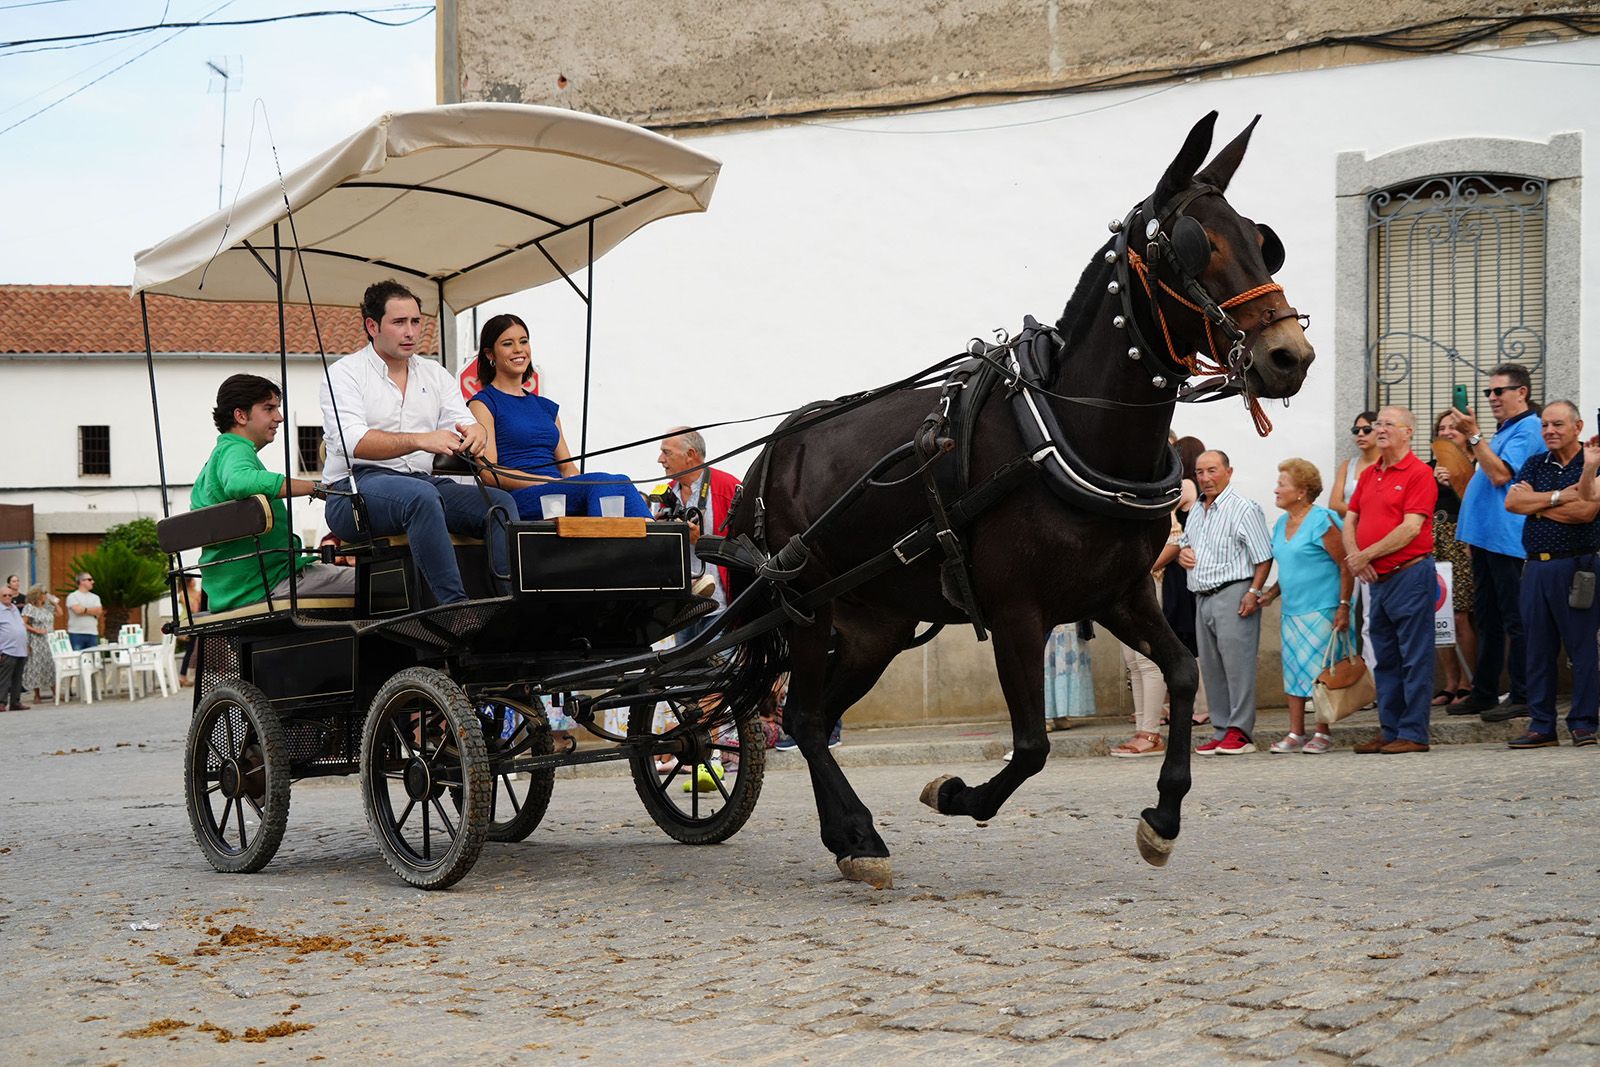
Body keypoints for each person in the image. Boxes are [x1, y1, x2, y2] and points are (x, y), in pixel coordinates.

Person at [320, 280, 519, 604]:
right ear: (372, 326)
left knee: (500, 505)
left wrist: (477, 432)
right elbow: (353, 441)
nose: (411, 331)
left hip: (419, 483)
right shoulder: (345, 374)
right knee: (422, 497)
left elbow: (464, 421)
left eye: (415, 321)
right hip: (351, 492)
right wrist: (421, 440)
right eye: (399, 322)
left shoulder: (434, 373)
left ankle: (507, 604)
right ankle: (454, 608)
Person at [190, 375, 357, 613]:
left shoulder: (216, 461)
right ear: (240, 416)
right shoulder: (234, 451)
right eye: (269, 409)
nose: (279, 417)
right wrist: (318, 488)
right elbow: (239, 482)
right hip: (267, 585)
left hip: (237, 589)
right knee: (380, 586)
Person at [467, 314, 650, 519]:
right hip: (521, 498)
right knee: (601, 484)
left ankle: (657, 544)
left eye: (524, 341)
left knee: (620, 482)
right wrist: (543, 481)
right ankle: (605, 548)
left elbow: (566, 466)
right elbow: (489, 472)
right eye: (508, 344)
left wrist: (576, 481)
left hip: (560, 494)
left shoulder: (546, 407)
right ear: (490, 354)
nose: (519, 349)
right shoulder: (483, 403)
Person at [1501, 401, 1600, 749]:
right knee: (1536, 648)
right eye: (1544, 425)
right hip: (1535, 568)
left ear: (1578, 426)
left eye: (1557, 424)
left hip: (1577, 566)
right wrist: (1559, 498)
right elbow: (1512, 504)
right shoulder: (1534, 463)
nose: (1549, 431)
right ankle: (1541, 725)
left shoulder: (1593, 462)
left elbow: (1587, 510)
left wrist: (1538, 505)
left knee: (1581, 647)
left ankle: (1584, 723)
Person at [1447, 364, 1543, 723]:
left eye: (1498, 391)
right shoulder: (1506, 430)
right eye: (1488, 392)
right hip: (1486, 539)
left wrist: (1474, 438)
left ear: (1522, 392)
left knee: (1515, 619)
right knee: (1488, 618)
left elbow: (1501, 473)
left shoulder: (1530, 429)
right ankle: (1484, 692)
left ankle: (1522, 693)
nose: (1491, 398)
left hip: (1508, 541)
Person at [1345, 407, 1438, 755]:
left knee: (1414, 657)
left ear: (1408, 432)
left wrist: (1366, 556)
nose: (1379, 429)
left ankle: (1413, 733)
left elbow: (1411, 527)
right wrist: (1356, 557)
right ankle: (1390, 729)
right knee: (1384, 658)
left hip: (1410, 574)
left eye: (1388, 424)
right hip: (1377, 578)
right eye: (1377, 424)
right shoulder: (1370, 474)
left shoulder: (1418, 473)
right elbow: (1351, 519)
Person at [1178, 450, 1273, 755]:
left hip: (1234, 592)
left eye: (1212, 470)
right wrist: (1183, 554)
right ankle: (1221, 728)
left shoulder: (1244, 508)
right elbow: (1185, 545)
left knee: (1237, 666)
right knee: (1211, 667)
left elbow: (1263, 555)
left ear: (1228, 472)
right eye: (1200, 472)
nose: (1205, 478)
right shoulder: (1196, 511)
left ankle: (1241, 731)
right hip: (1202, 595)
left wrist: (1254, 593)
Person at [1261, 460, 1352, 754]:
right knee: (1293, 671)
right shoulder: (1281, 524)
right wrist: (1271, 593)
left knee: (1319, 673)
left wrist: (1344, 606)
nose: (1276, 489)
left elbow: (1345, 565)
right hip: (1292, 610)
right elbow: (1288, 566)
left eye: (1282, 484)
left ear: (1301, 491)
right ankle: (1295, 732)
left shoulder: (1322, 520)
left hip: (1323, 608)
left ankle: (1322, 732)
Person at [1111, 510, 1182, 758]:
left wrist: (1138, 570)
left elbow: (1175, 541)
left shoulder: (1152, 503)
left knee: (1148, 661)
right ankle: (1142, 730)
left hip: (1148, 585)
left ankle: (1151, 734)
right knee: (1133, 663)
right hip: (1121, 590)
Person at [656, 427, 742, 631]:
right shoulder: (666, 494)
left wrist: (701, 540)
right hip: (680, 609)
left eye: (666, 452)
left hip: (720, 611)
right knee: (682, 665)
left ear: (690, 455)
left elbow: (748, 550)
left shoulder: (729, 488)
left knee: (720, 665)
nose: (660, 459)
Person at [1430, 410, 1477, 708]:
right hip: (1434, 541)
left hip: (1463, 539)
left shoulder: (1477, 465)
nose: (1447, 432)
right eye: (1442, 428)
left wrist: (1456, 482)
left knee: (1461, 614)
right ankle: (1449, 682)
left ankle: (1469, 681)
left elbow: (1480, 504)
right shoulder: (1428, 467)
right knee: (1439, 615)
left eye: (1454, 428)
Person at [1162, 435, 1207, 725]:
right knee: (1180, 633)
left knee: (1186, 634)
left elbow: (1162, 501)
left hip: (1181, 568)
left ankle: (1201, 706)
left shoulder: (1187, 485)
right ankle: (1173, 703)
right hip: (1177, 567)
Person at [1329, 410, 1380, 518]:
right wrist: (1364, 514)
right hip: (1348, 527)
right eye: (1356, 430)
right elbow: (1334, 503)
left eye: (1367, 430)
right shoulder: (1347, 466)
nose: (1360, 434)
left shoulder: (1388, 465)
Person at [21, 585, 55, 703]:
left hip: (50, 640)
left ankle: (55, 692)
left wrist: (55, 602)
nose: (46, 595)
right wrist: (36, 630)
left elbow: (60, 613)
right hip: (36, 640)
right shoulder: (29, 608)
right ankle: (37, 695)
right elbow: (23, 623)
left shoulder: (48, 607)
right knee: (36, 666)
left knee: (51, 665)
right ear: (37, 594)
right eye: (44, 593)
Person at [0, 584, 28, 710]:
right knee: (4, 677)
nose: (7, 597)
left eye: (9, 595)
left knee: (18, 677)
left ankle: (15, 702)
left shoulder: (14, 609)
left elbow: (20, 626)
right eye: (4, 595)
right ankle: (1, 702)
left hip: (20, 649)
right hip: (7, 649)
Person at [64, 572, 102, 652]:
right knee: (77, 659)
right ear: (82, 581)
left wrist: (84, 609)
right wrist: (91, 610)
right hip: (76, 633)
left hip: (92, 633)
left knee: (93, 659)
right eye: (89, 580)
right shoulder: (73, 596)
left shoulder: (95, 597)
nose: (92, 582)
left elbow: (99, 611)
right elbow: (77, 611)